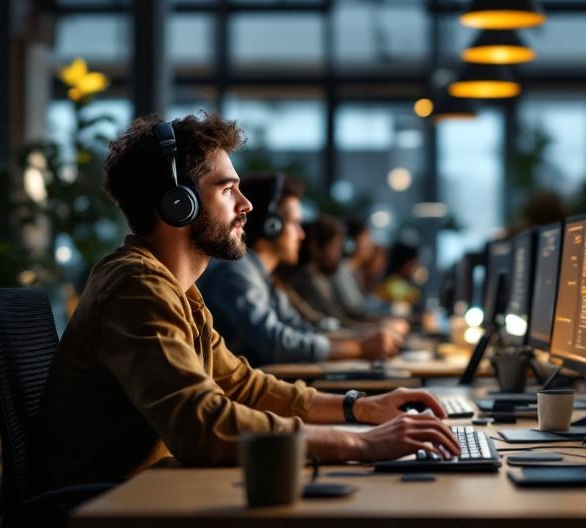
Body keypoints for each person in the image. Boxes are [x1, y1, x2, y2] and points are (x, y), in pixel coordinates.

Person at [38, 114, 458, 490]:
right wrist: (359, 442)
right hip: (109, 510)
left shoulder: (177, 290)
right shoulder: (136, 286)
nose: (247, 206)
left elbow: (243, 385)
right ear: (177, 203)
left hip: (153, 495)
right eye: (227, 190)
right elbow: (203, 426)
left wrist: (360, 408)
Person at [198, 174, 403, 367]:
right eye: (295, 224)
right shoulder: (236, 272)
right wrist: (360, 347)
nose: (302, 235)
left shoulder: (263, 277)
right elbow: (275, 344)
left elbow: (301, 329)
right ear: (271, 226)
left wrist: (362, 341)